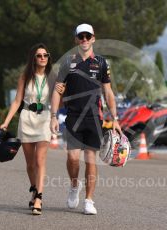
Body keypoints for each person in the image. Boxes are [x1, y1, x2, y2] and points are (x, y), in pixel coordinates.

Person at [50, 23, 122, 215]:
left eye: (87, 36)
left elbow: (108, 92)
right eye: (80, 36)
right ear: (76, 40)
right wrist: (53, 116)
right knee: (73, 158)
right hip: (73, 117)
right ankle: (75, 186)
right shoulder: (68, 62)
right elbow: (57, 91)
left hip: (94, 118)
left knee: (91, 160)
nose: (84, 40)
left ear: (93, 38)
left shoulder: (101, 63)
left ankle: (89, 200)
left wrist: (114, 118)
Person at [0, 43, 63, 215]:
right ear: (33, 58)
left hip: (44, 119)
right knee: (30, 164)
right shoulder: (25, 76)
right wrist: (6, 122)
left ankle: (39, 198)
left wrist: (61, 93)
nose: (43, 58)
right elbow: (17, 101)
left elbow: (59, 102)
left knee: (40, 161)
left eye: (45, 55)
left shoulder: (53, 77)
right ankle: (34, 188)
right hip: (26, 118)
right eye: (39, 55)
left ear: (48, 58)